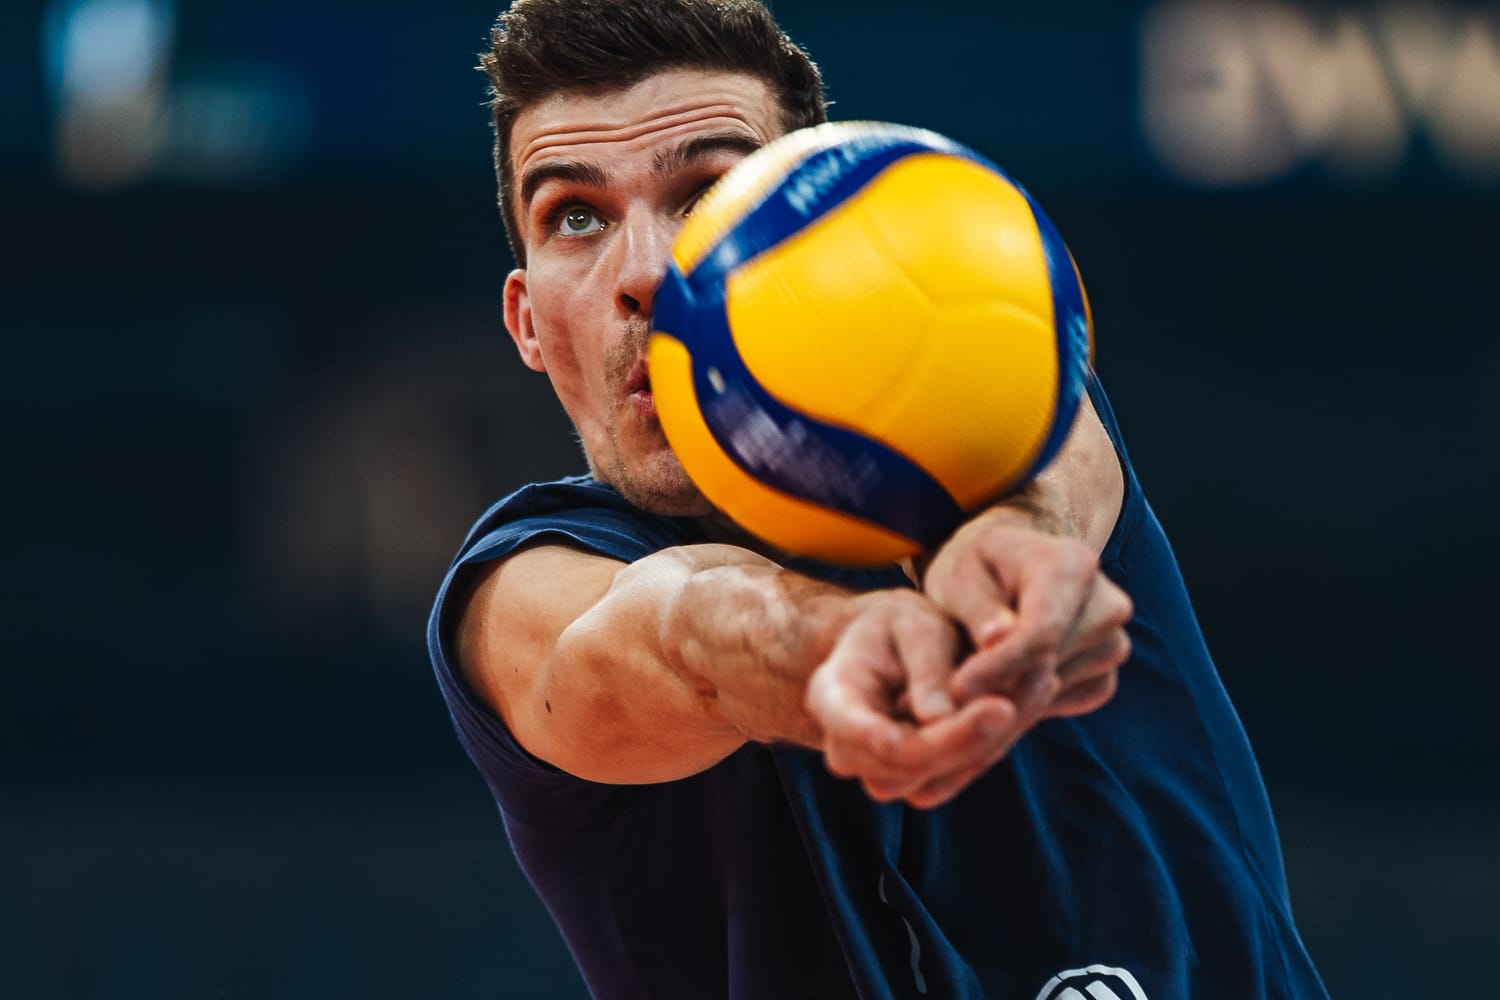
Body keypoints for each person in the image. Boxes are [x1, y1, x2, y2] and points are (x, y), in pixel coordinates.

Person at [427, 1, 1329, 997]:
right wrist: (825, 647)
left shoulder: (1000, 393)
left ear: (830, 231)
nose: (644, 271)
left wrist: (1022, 544)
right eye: (576, 216)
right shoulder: (520, 586)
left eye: (707, 193)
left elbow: (1039, 467)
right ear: (526, 322)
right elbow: (676, 625)